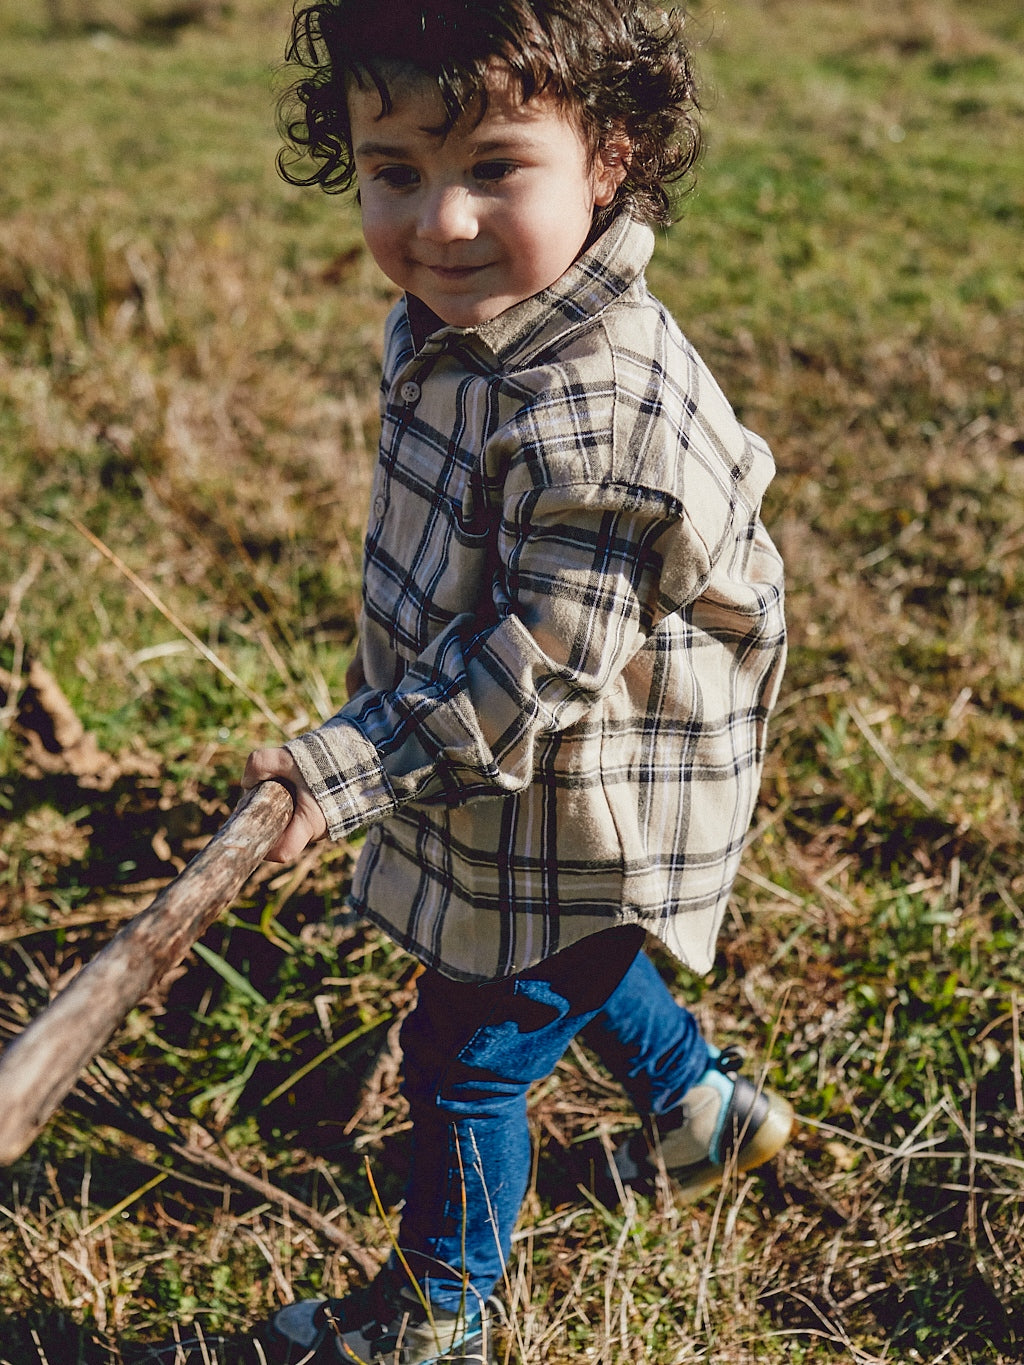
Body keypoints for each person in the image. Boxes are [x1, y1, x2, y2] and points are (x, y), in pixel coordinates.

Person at [186, 2, 794, 1360]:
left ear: (613, 156)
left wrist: (339, 774)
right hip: (530, 791)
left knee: (464, 1057)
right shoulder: (464, 325)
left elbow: (531, 680)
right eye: (396, 169)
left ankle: (435, 1310)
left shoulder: (601, 413)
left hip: (596, 770)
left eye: (494, 168)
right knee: (571, 944)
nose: (439, 224)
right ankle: (704, 1111)